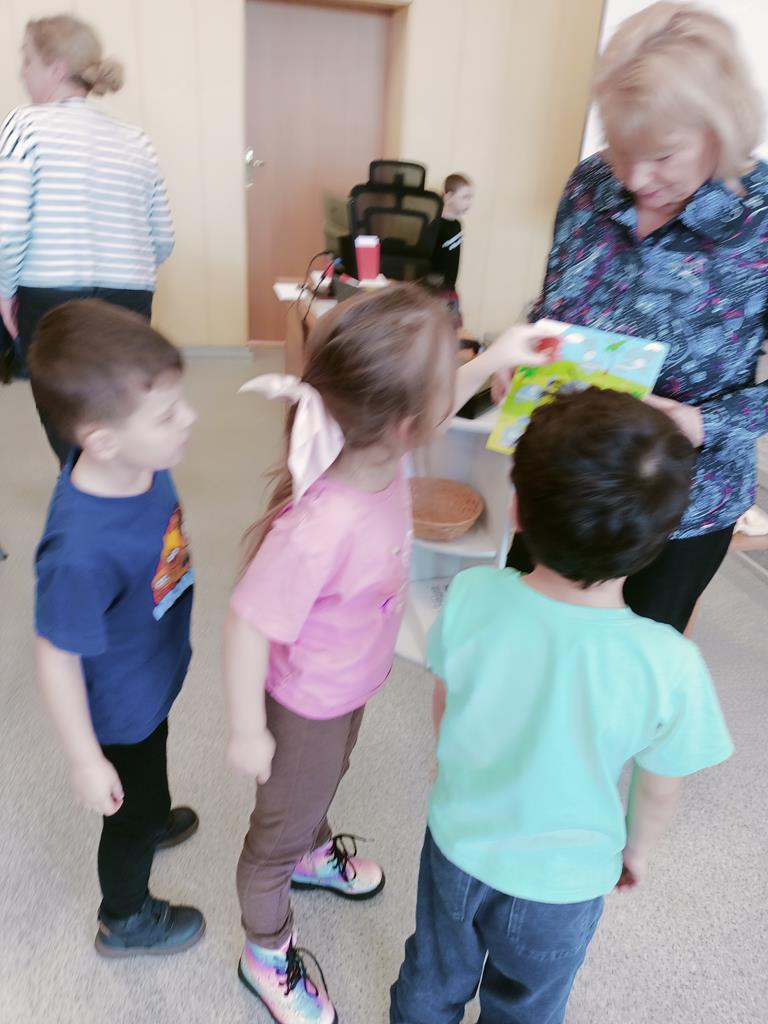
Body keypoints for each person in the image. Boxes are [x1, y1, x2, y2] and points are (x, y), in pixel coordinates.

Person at [223, 283, 555, 1024]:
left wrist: (496, 357)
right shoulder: (323, 523)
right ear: (408, 424)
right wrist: (246, 727)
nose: (455, 385)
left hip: (346, 683)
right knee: (274, 835)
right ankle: (264, 950)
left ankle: (311, 847)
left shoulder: (376, 451)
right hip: (305, 700)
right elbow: (246, 622)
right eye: (449, 376)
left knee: (324, 779)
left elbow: (436, 402)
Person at [390, 387, 734, 1024]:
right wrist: (636, 852)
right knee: (529, 1002)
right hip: (565, 881)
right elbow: (660, 787)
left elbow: (448, 694)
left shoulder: (471, 593)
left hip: (458, 842)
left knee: (432, 974)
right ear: (659, 542)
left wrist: (448, 765)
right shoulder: (670, 662)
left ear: (516, 508)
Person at [492, 1, 768, 634]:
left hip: (677, 505)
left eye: (663, 156)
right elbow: (555, 302)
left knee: (629, 663)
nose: (636, 178)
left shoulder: (762, 217)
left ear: (721, 129)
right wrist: (522, 357)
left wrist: (702, 422)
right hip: (559, 477)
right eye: (621, 149)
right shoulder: (589, 185)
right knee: (525, 640)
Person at [28, 300, 203, 957]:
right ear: (102, 439)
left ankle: (150, 810)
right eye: (167, 414)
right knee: (129, 814)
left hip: (149, 671)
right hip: (118, 708)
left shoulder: (138, 462)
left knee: (151, 766)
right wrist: (83, 757)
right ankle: (124, 919)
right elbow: (55, 657)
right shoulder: (79, 550)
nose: (190, 418)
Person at [0, 14, 174, 462]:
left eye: (27, 60)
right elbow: (162, 240)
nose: (22, 71)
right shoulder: (136, 140)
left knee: (71, 421)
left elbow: (7, 228)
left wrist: (3, 290)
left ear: (56, 68)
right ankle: (129, 494)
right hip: (130, 294)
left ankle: (83, 495)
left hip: (53, 295)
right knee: (123, 414)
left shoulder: (24, 125)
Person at [431, 172, 474, 326]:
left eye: (470, 198)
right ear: (448, 197)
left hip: (450, 288)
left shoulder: (457, 225)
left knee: (454, 328)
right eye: (465, 197)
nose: (469, 202)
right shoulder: (435, 224)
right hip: (434, 290)